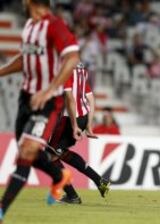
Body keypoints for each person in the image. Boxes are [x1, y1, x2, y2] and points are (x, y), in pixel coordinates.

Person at [0, 0, 80, 221]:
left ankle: (2, 209)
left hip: (47, 101)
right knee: (30, 154)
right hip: (26, 99)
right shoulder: (29, 26)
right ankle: (60, 175)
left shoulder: (55, 26)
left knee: (25, 153)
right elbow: (26, 59)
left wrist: (50, 90)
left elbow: (72, 58)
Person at [45, 63, 110, 204]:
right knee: (59, 152)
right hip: (83, 117)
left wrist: (74, 125)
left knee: (51, 155)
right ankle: (99, 180)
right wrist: (88, 124)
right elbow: (91, 99)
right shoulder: (80, 68)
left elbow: (70, 99)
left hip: (69, 119)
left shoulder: (65, 68)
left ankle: (72, 195)